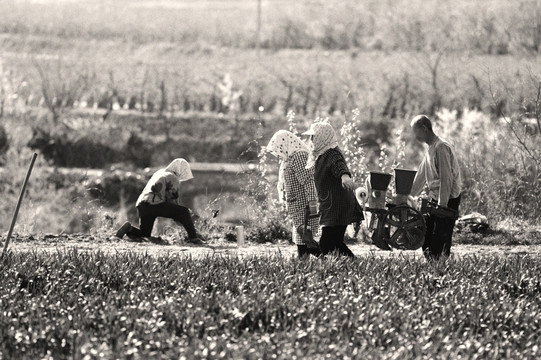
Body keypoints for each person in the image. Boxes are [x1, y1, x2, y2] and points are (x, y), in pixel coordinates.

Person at [303, 121, 362, 258]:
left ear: (322, 137)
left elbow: (340, 166)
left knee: (327, 243)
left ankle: (351, 263)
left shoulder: (332, 154)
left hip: (338, 205)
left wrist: (345, 177)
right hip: (332, 204)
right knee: (334, 242)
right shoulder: (322, 155)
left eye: (314, 136)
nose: (311, 140)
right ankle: (351, 263)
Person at [410, 115, 462, 260]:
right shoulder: (430, 149)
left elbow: (447, 178)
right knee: (425, 237)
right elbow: (421, 176)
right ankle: (434, 266)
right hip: (435, 198)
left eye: (416, 132)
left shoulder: (441, 147)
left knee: (440, 240)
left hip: (448, 199)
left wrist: (442, 205)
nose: (415, 136)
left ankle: (443, 270)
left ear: (424, 129)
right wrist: (407, 196)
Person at [115, 158, 205, 244]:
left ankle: (129, 228)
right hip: (155, 205)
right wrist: (182, 217)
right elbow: (172, 199)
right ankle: (194, 238)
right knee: (184, 211)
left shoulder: (159, 173)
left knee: (145, 234)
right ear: (180, 171)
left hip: (142, 204)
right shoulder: (173, 177)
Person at [266, 130, 321, 259]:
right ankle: (306, 264)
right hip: (297, 205)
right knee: (301, 239)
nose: (278, 154)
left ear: (285, 144)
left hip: (304, 205)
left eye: (279, 149)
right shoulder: (290, 158)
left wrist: (312, 202)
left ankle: (328, 259)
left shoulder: (299, 157)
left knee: (304, 238)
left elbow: (308, 181)